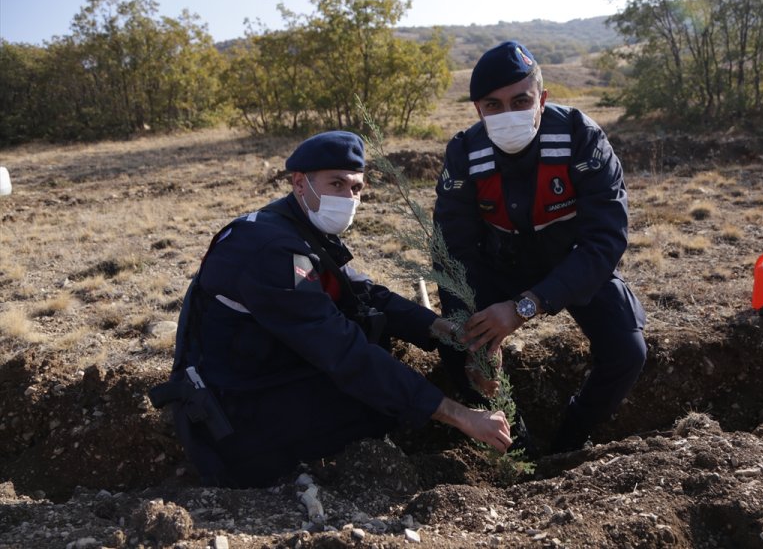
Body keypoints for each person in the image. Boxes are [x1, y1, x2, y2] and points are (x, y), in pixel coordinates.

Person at [152, 131, 511, 488]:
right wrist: (461, 416)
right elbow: (343, 352)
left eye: (356, 188)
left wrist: (443, 330)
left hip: (257, 373)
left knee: (378, 349)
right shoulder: (271, 251)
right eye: (336, 184)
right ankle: (295, 473)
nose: (348, 197)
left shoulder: (295, 225)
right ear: (299, 183)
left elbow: (364, 293)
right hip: (229, 419)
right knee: (374, 402)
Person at [433, 41, 647, 454]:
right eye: (493, 105)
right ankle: (519, 449)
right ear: (478, 109)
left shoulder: (581, 139)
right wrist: (472, 333)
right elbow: (452, 251)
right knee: (460, 353)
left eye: (521, 100)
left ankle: (569, 439)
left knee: (627, 351)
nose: (508, 114)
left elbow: (605, 240)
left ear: (542, 99)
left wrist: (524, 307)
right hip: (499, 261)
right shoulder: (465, 153)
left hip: (574, 262)